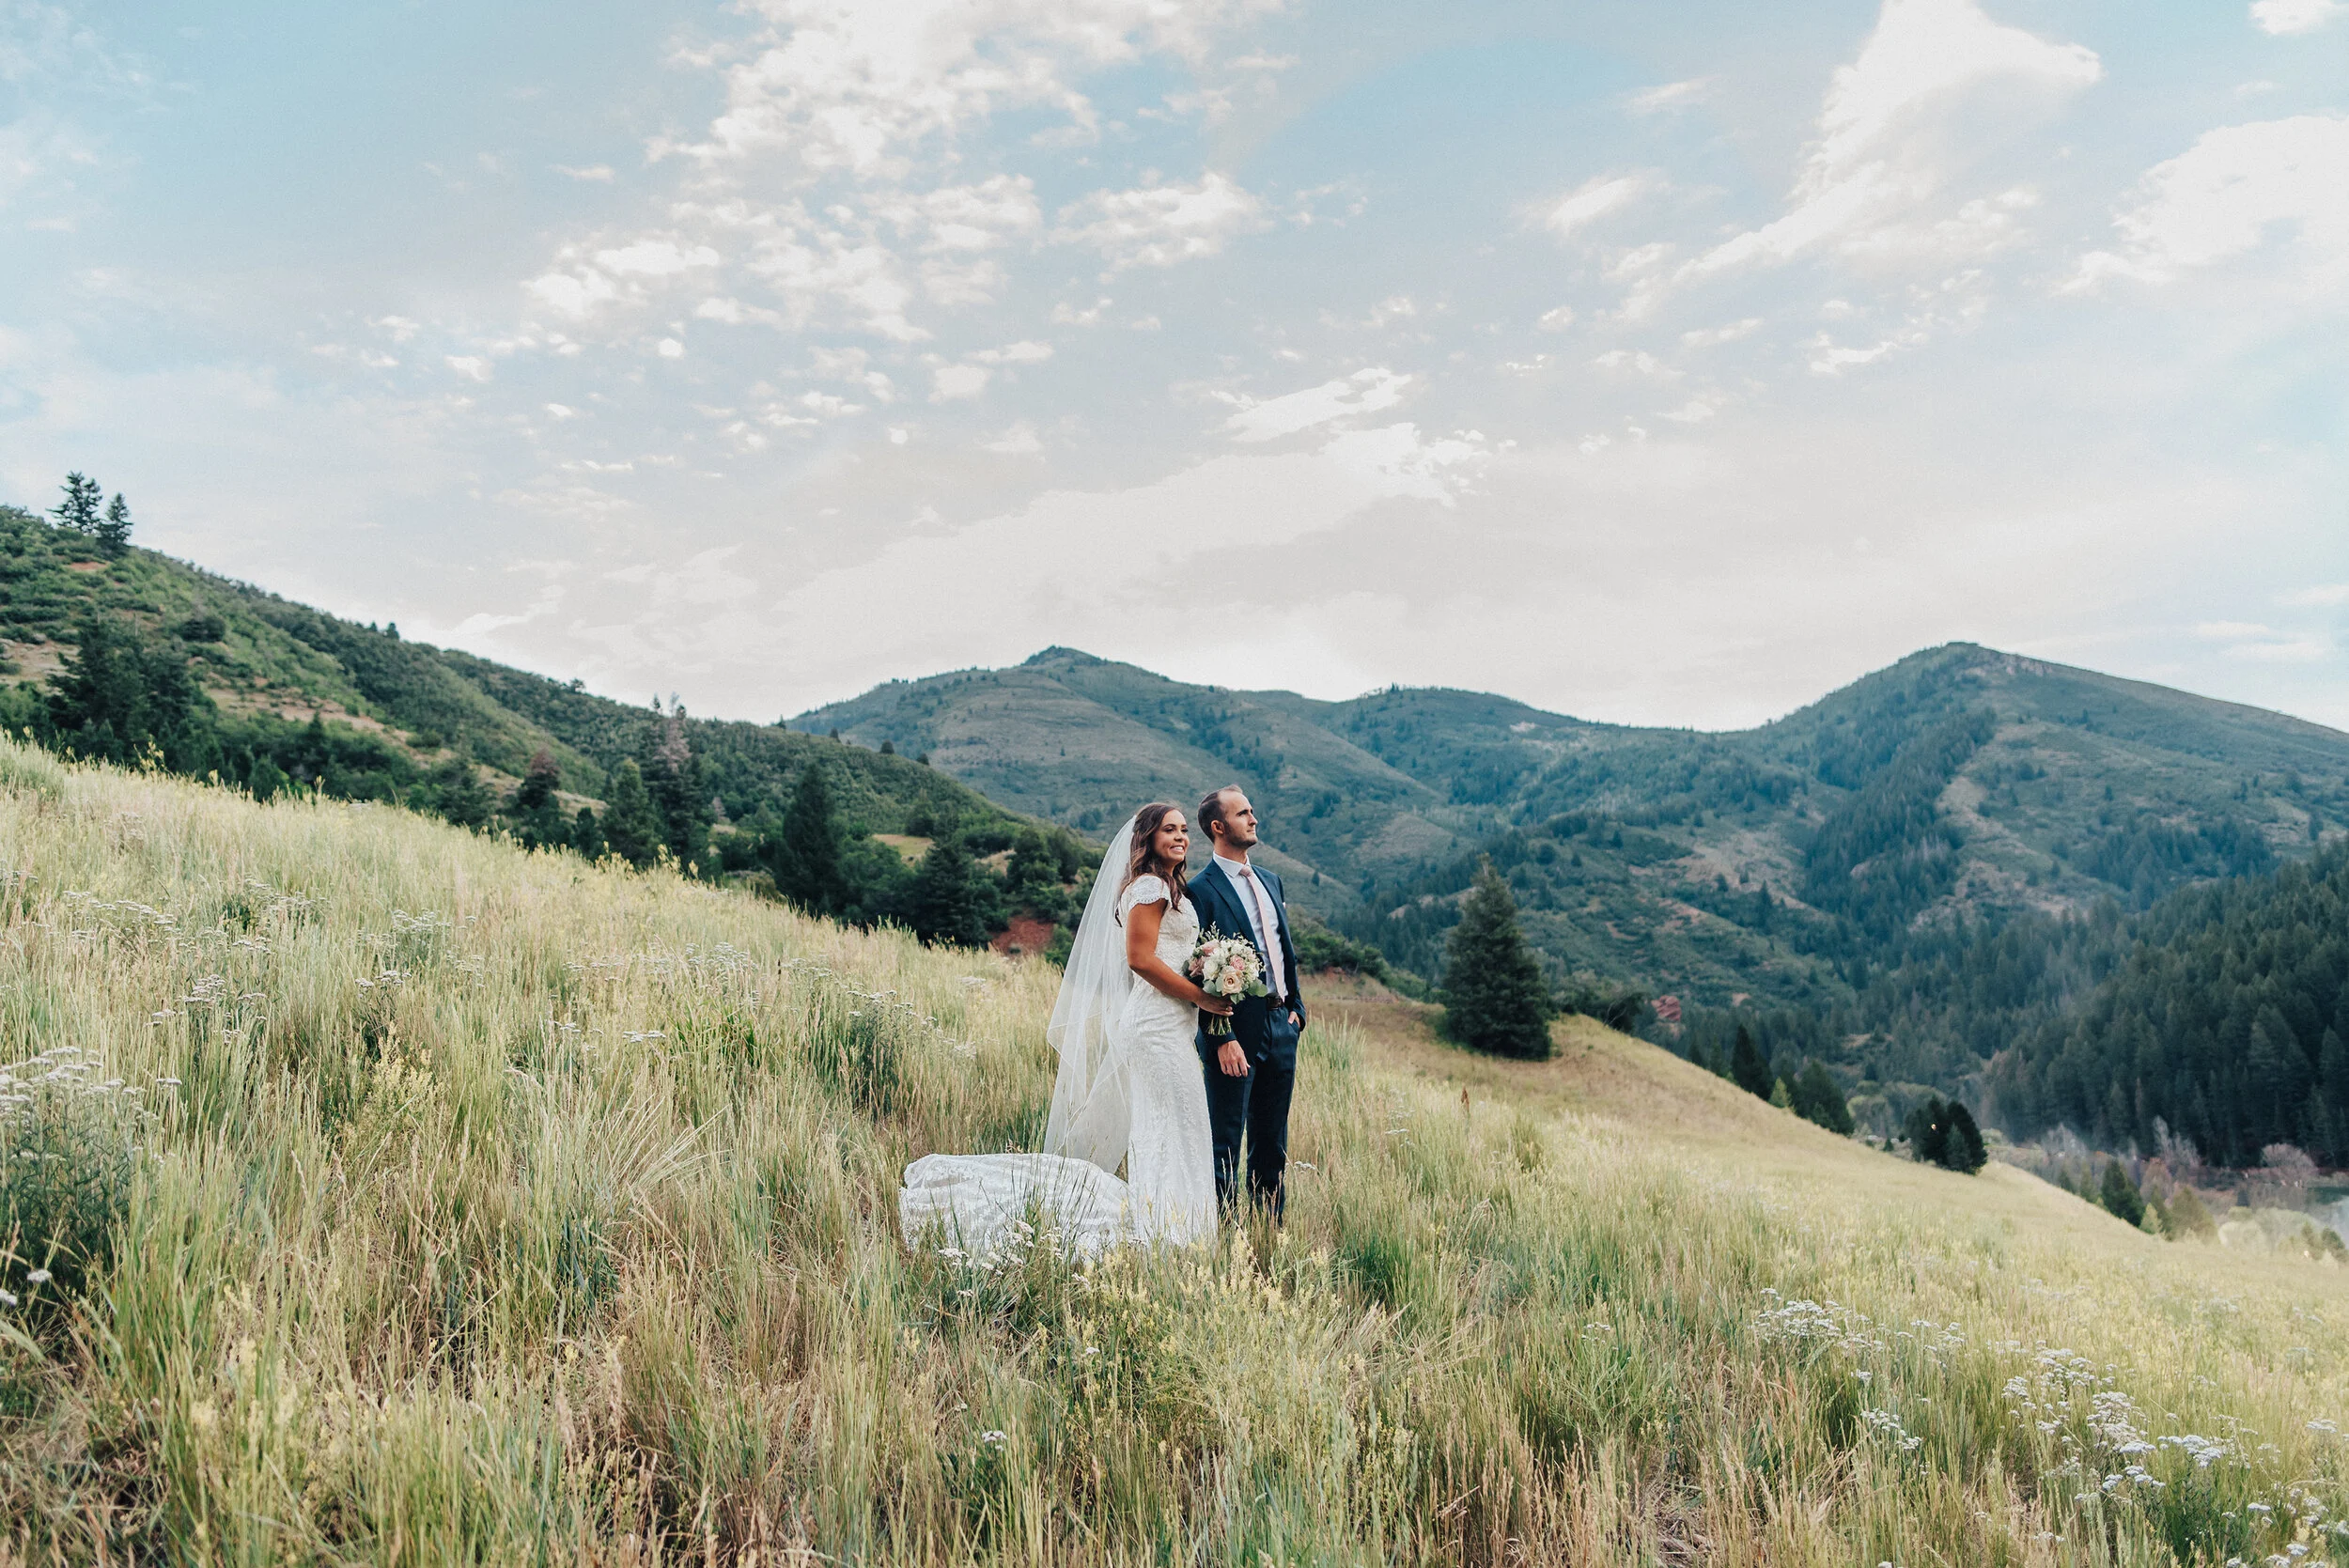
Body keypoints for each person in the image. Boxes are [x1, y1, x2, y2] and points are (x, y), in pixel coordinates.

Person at [896, 803, 1229, 1257]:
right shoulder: (1149, 886)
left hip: (1173, 1023)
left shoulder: (1171, 889)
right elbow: (1140, 960)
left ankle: (1178, 1221)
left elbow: (1166, 956)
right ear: (1147, 838)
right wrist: (1201, 995)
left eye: (1184, 830)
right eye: (1168, 829)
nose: (1180, 837)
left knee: (1177, 1119)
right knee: (1167, 1121)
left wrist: (1207, 964)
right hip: (1154, 1024)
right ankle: (1170, 1227)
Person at [1186, 784, 1306, 1218]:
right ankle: (1221, 1234)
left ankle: (1266, 1231)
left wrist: (1297, 1010)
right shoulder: (1199, 891)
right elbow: (1196, 972)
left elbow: (1282, 949)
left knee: (1272, 1143)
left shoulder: (1271, 880)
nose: (1254, 819)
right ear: (1218, 827)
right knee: (1224, 1140)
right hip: (1233, 1035)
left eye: (1252, 811)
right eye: (1243, 813)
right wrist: (1222, 1038)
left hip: (1282, 1027)